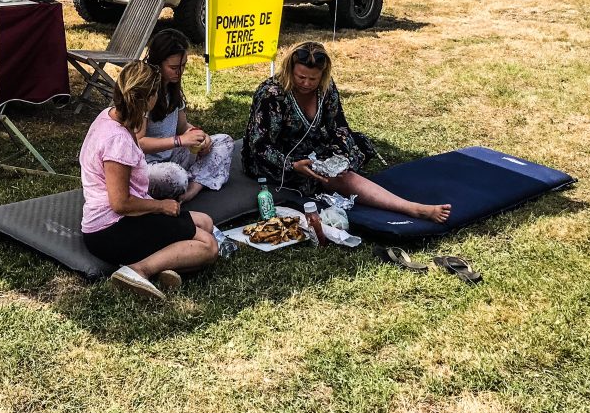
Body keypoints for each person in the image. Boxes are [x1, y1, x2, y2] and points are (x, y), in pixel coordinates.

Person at [242, 40, 451, 224]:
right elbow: (258, 146)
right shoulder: (271, 94)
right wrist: (292, 165)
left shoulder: (326, 88)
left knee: (353, 151)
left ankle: (338, 176)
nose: (306, 84)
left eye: (312, 79)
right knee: (335, 178)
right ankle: (411, 208)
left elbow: (340, 126)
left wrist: (340, 155)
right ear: (289, 70)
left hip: (311, 150)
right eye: (300, 77)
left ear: (323, 75)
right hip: (275, 160)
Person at [80, 60, 219, 301]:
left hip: (124, 219)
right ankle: (137, 271)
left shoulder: (108, 115)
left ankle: (162, 265)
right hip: (111, 229)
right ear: (149, 98)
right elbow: (121, 203)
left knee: (205, 222)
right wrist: (160, 205)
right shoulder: (118, 141)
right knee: (208, 246)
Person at [138, 29, 233, 203]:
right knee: (176, 177)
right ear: (157, 64)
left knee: (223, 142)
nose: (179, 72)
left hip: (172, 155)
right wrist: (180, 140)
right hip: (145, 166)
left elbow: (183, 127)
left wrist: (199, 136)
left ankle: (193, 189)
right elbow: (138, 143)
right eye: (173, 68)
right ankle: (193, 179)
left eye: (183, 66)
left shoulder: (172, 88)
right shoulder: (144, 92)